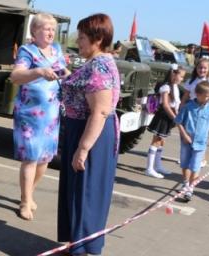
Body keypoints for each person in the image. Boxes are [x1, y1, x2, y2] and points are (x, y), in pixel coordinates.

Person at [58, 13, 120, 255]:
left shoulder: (100, 66)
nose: (78, 41)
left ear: (98, 39)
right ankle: (78, 246)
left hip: (90, 135)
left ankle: (84, 251)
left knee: (85, 195)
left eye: (82, 37)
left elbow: (100, 111)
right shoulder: (96, 63)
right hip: (84, 132)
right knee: (79, 194)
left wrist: (82, 149)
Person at [9, 13, 68, 221]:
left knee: (45, 159)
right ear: (35, 31)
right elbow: (16, 76)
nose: (51, 32)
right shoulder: (28, 51)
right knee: (31, 157)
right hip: (30, 114)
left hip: (51, 114)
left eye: (53, 29)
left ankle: (28, 192)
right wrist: (39, 72)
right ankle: (25, 202)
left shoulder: (57, 50)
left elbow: (63, 71)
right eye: (46, 28)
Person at [144, 64, 186, 178]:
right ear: (174, 74)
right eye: (181, 76)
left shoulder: (175, 87)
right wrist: (175, 118)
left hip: (169, 117)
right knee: (156, 141)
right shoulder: (166, 87)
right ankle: (149, 168)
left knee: (162, 141)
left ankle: (157, 165)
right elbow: (166, 106)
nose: (182, 79)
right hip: (163, 116)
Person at [175, 81, 209, 202]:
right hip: (186, 142)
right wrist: (185, 135)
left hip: (201, 143)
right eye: (206, 96)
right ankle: (185, 183)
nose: (208, 98)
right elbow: (178, 122)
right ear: (197, 94)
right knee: (185, 164)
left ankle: (190, 189)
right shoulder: (188, 106)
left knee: (195, 166)